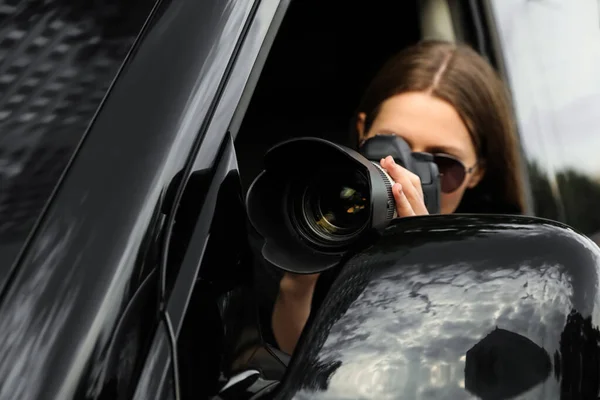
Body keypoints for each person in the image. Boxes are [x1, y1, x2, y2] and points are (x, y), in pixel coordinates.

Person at [270, 39, 527, 355]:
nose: (408, 180)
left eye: (442, 164)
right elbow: (292, 366)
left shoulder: (511, 271)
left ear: (476, 172)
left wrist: (425, 270)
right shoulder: (314, 219)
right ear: (363, 131)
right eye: (391, 148)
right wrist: (298, 283)